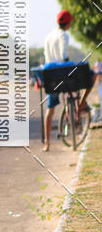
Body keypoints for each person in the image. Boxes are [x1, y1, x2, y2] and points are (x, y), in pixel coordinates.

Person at [42, 10, 92, 151]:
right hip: (62, 75)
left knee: (49, 110)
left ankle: (47, 143)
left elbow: (47, 58)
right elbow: (64, 57)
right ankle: (81, 104)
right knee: (91, 75)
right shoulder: (64, 35)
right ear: (69, 23)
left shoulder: (48, 36)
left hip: (50, 77)